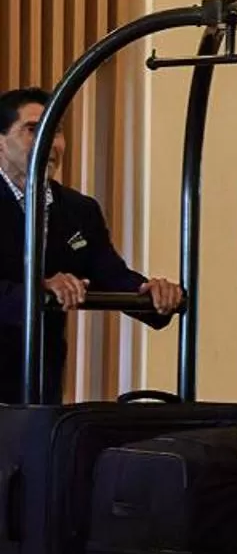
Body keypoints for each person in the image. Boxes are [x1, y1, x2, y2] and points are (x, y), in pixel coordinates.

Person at [0, 86, 186, 408]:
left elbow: (109, 274)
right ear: (1, 141)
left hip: (39, 390)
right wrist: (38, 291)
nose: (50, 142)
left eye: (56, 131)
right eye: (33, 130)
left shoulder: (79, 209)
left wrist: (151, 292)